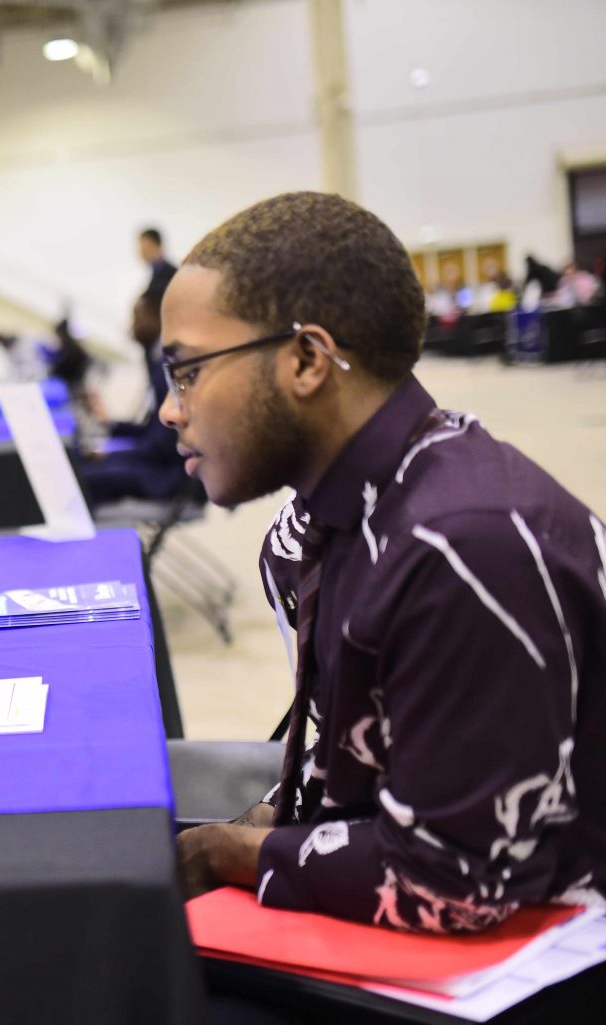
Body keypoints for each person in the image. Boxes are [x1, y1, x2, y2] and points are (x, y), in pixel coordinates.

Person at [161, 194, 604, 941]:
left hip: (539, 945)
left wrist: (225, 850)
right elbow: (354, 772)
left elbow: (453, 881)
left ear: (306, 359)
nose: (170, 411)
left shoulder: (461, 547)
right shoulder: (317, 521)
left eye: (187, 372)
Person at [78, 294, 188, 504]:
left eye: (137, 318)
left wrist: (109, 455)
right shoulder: (160, 365)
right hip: (156, 465)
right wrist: (112, 426)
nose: (132, 326)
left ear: (159, 318)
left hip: (164, 477)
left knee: (85, 476)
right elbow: (152, 433)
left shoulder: (169, 371)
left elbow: (162, 446)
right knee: (82, 463)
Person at [139, 226, 178, 302]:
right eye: (140, 248)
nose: (142, 252)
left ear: (158, 246)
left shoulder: (172, 274)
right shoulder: (156, 273)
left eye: (146, 247)